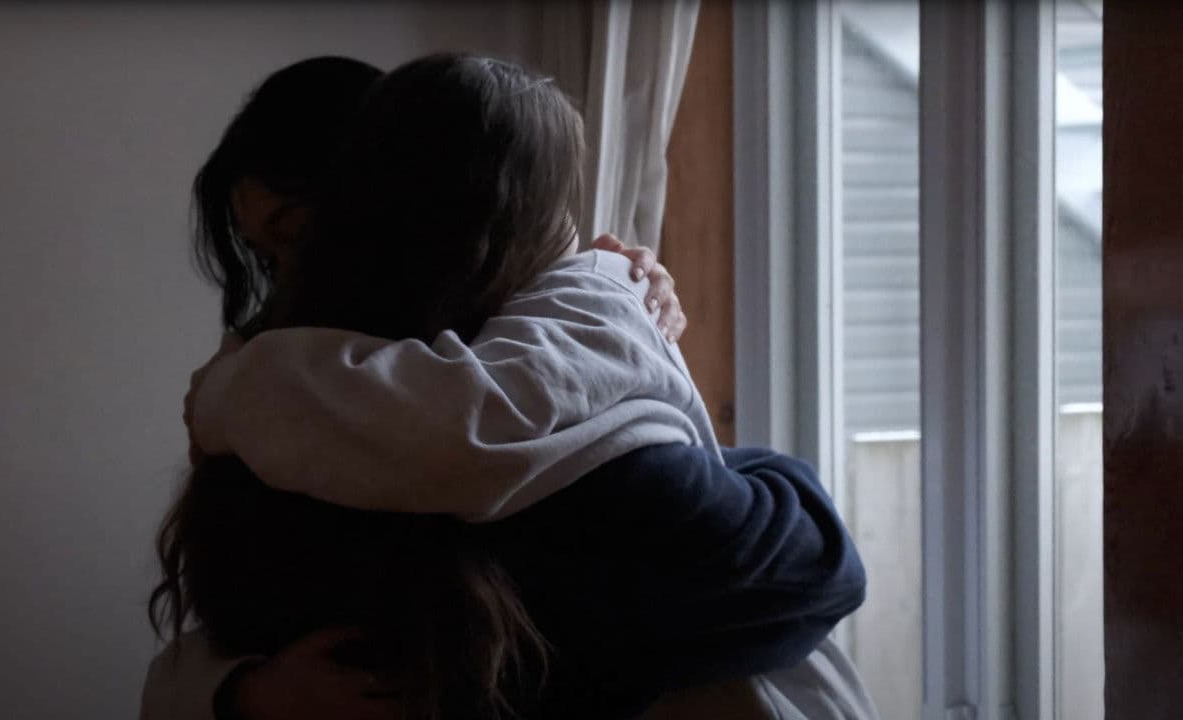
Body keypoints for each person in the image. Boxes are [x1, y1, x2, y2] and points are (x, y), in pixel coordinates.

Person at [144, 54, 877, 719]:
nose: (279, 287)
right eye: (265, 255)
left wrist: (241, 693)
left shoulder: (277, 416)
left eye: (296, 237)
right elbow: (816, 564)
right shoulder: (298, 415)